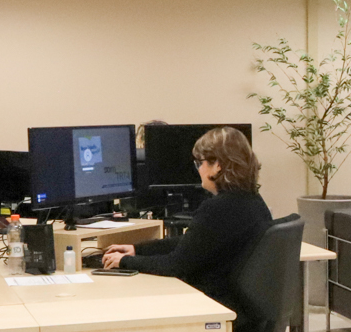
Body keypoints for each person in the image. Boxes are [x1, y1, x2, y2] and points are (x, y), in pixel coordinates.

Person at [98, 127, 271, 316]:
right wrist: (137, 249)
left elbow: (175, 265)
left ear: (218, 165)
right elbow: (193, 243)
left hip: (216, 307)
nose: (198, 170)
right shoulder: (253, 201)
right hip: (242, 308)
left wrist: (125, 261)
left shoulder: (218, 208)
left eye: (200, 163)